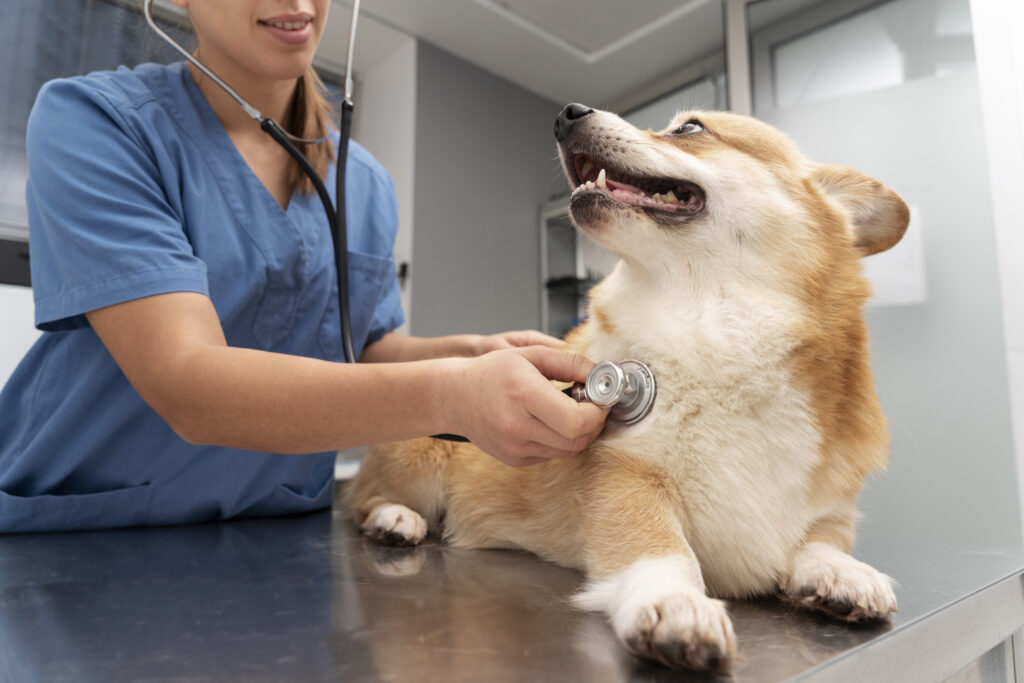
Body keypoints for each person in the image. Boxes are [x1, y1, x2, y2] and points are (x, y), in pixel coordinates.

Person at [0, 0, 607, 533]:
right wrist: (454, 394)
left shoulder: (364, 183)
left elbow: (359, 347)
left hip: (270, 533)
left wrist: (468, 355)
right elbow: (189, 387)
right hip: (80, 535)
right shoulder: (96, 123)